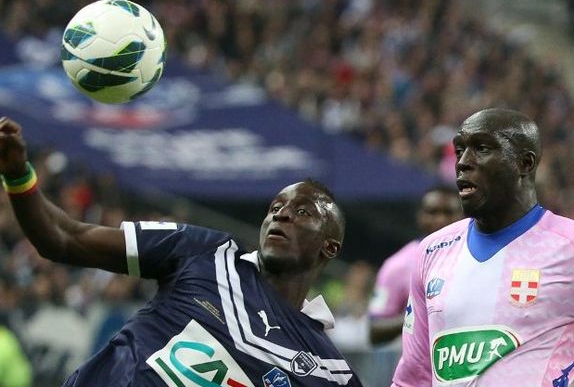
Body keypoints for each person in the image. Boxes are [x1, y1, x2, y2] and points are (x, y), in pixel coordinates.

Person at [0, 116, 363, 386]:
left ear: (329, 247)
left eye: (302, 212)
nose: (282, 214)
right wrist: (18, 174)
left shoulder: (328, 372)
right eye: (275, 207)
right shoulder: (207, 252)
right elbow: (64, 238)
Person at [392, 107, 574, 386]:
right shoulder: (432, 250)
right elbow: (414, 377)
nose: (463, 162)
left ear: (525, 164)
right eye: (460, 150)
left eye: (481, 148)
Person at [368, 185, 461, 345]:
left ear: (463, 215)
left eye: (448, 212)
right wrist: (420, 310)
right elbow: (375, 330)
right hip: (423, 366)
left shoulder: (477, 254)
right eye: (432, 212)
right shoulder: (398, 265)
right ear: (419, 216)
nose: (440, 219)